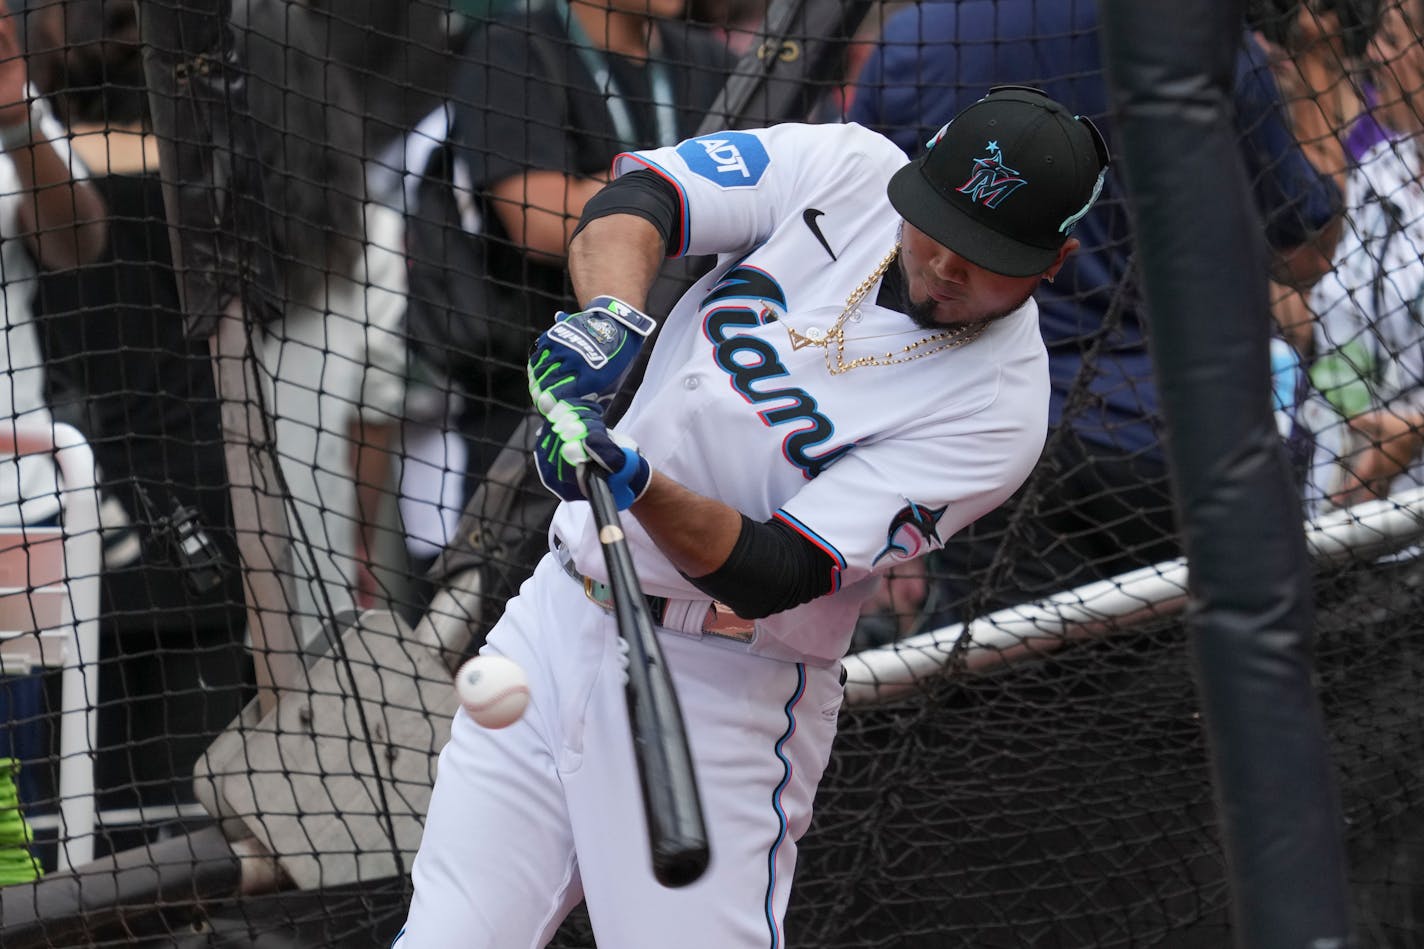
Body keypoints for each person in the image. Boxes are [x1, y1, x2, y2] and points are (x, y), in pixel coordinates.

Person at [396, 86, 1108, 947]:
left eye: (984, 252)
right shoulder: (847, 169)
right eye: (938, 227)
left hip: (720, 685)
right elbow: (642, 198)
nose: (947, 264)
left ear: (1054, 260)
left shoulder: (999, 409)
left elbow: (773, 570)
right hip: (554, 622)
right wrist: (609, 319)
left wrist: (629, 477)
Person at [847, 1, 1345, 622]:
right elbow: (1306, 249)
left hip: (983, 435)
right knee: (1197, 691)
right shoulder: (1195, 29)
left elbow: (868, 249)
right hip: (1177, 436)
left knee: (1016, 696)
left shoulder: (919, 35)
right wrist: (1316, 74)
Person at [24, 0, 252, 841]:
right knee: (187, 839)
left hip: (124, 531)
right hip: (172, 520)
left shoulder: (202, 164)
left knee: (78, 841)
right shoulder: (219, 163)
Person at [0, 0, 107, 811]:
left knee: (14, 821)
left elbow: (79, 243)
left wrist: (15, 121)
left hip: (14, 511)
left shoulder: (16, 105)